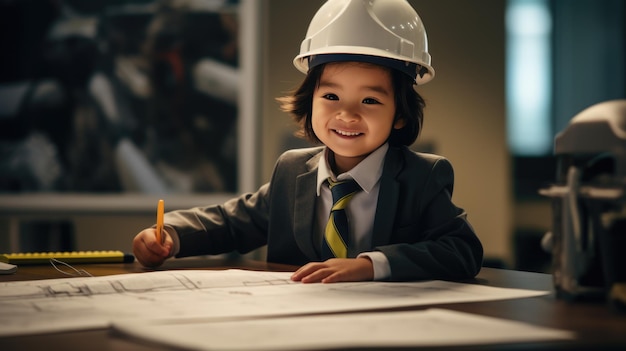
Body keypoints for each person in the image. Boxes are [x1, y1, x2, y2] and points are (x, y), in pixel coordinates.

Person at [132, 0, 483, 283]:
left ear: (401, 115)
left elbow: (461, 249)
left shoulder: (423, 176)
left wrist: (370, 265)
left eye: (370, 101)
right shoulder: (292, 169)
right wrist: (172, 234)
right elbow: (234, 221)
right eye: (331, 97)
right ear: (309, 100)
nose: (346, 115)